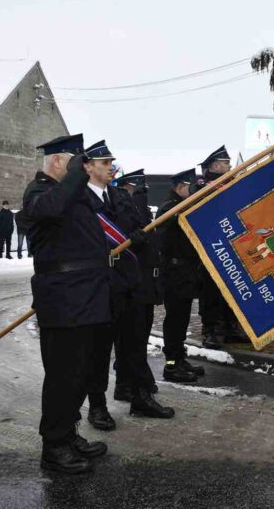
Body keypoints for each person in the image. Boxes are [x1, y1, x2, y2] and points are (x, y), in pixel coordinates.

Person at [22, 133, 109, 474]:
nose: (83, 171)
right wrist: (77, 173)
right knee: (63, 376)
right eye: (77, 164)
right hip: (63, 301)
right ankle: (53, 446)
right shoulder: (39, 192)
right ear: (59, 162)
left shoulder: (71, 193)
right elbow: (53, 208)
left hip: (85, 298)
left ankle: (68, 434)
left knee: (80, 374)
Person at [83, 141, 174, 430]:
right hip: (99, 285)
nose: (110, 166)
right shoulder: (79, 200)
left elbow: (143, 231)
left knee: (134, 346)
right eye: (103, 162)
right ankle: (97, 406)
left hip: (129, 284)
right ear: (87, 167)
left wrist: (142, 240)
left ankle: (140, 397)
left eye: (111, 162)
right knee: (99, 350)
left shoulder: (120, 197)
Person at [112, 169, 166, 400]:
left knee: (137, 339)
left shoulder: (139, 211)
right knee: (130, 340)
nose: (141, 195)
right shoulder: (123, 210)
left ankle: (128, 383)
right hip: (134, 286)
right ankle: (133, 385)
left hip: (144, 285)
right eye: (138, 189)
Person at [195, 145, 248, 347]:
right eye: (225, 163)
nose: (229, 166)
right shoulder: (200, 188)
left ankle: (230, 326)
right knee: (211, 293)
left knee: (231, 289)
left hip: (231, 247)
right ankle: (212, 330)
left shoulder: (232, 185)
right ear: (215, 166)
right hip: (211, 248)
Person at [157, 168, 204, 382]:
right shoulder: (168, 210)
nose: (190, 191)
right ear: (180, 188)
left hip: (185, 274)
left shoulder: (181, 207)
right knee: (174, 321)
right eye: (188, 188)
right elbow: (164, 241)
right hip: (174, 274)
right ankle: (171, 365)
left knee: (182, 321)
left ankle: (179, 359)